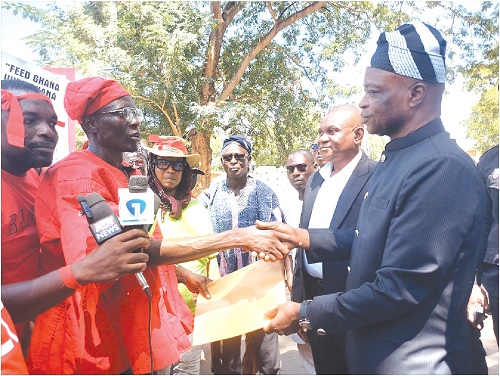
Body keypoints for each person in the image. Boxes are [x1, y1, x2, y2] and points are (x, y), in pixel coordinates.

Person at [261, 20, 485, 374]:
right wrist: (302, 237)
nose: (362, 104)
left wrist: (305, 312)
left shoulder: (441, 167)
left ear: (416, 94)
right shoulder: (399, 156)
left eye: (375, 92)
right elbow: (370, 238)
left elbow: (400, 286)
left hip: (415, 363)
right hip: (373, 353)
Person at [29, 77, 293, 375]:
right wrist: (237, 237)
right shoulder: (77, 175)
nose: (135, 122)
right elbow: (118, 256)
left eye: (135, 113)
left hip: (125, 328)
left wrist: (180, 274)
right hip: (91, 340)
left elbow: (134, 242)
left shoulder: (120, 173)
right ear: (91, 124)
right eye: (122, 114)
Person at [0, 80, 152, 373]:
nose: (47, 132)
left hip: (50, 344)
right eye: (29, 120)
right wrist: (80, 272)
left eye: (51, 122)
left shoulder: (40, 179)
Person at [292, 105, 377, 374]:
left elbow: (370, 239)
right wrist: (299, 302)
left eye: (332, 131)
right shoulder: (315, 179)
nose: (321, 139)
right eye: (320, 132)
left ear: (358, 134)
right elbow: (300, 248)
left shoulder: (377, 176)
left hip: (352, 298)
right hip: (314, 299)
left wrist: (304, 238)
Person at [198, 135, 282, 375]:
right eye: (227, 157)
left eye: (239, 156)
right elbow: (193, 215)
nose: (233, 161)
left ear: (249, 159)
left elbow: (278, 233)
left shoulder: (265, 193)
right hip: (225, 285)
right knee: (228, 356)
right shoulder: (211, 193)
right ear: (222, 161)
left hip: (259, 283)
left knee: (265, 355)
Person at [141, 134, 214, 375]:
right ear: (152, 167)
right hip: (155, 316)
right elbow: (140, 255)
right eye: (163, 163)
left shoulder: (197, 207)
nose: (170, 170)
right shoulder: (141, 205)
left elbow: (210, 256)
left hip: (192, 315)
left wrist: (211, 303)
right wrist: (181, 274)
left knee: (187, 371)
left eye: (178, 164)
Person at [282, 149, 317, 374]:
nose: (296, 173)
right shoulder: (288, 207)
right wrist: (288, 275)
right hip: (298, 289)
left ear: (315, 167)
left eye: (302, 167)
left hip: (322, 290)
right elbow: (287, 249)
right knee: (306, 353)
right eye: (291, 169)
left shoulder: (329, 203)